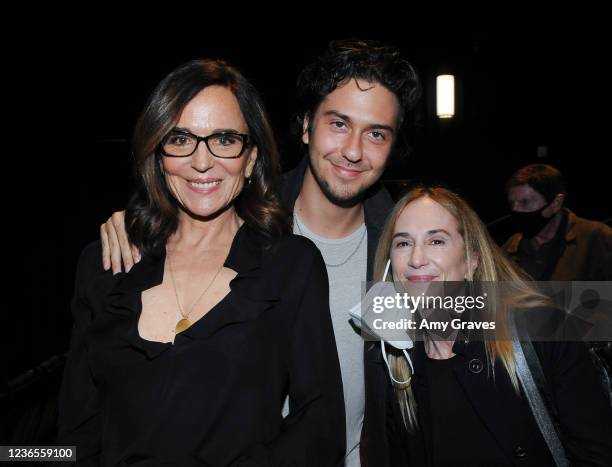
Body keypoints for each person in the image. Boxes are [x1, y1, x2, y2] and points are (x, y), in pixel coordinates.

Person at [97, 39, 422, 466]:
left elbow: (508, 321)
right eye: (338, 124)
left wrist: (469, 273)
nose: (354, 150)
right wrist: (144, 222)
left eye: (376, 133)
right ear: (306, 125)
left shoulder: (405, 246)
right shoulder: (238, 221)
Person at [57, 59, 345, 466]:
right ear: (158, 155)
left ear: (250, 159)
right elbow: (74, 435)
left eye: (225, 139)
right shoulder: (104, 265)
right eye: (180, 139)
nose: (202, 161)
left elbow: (321, 425)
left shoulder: (290, 266)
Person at [364, 186, 612, 466]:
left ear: (471, 262)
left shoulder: (544, 329)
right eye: (403, 243)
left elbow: (596, 454)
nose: (416, 259)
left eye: (436, 241)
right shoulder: (393, 359)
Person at [504, 163, 612, 280]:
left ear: (556, 203)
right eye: (512, 204)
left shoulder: (596, 238)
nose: (516, 210)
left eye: (525, 202)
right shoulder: (511, 248)